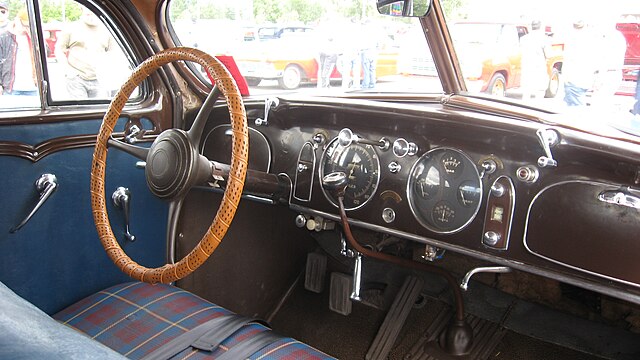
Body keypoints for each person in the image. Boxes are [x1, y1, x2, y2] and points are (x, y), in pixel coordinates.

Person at [57, 7, 114, 99]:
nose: (90, 12)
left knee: (99, 111)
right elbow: (59, 50)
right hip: (76, 79)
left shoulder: (108, 30)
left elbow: (112, 54)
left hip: (99, 80)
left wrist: (107, 73)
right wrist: (69, 71)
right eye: (87, 10)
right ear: (81, 9)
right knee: (81, 111)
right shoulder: (71, 28)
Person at [562, 20, 599, 106]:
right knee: (578, 105)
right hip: (585, 80)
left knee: (575, 109)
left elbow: (569, 59)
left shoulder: (572, 39)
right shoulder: (592, 38)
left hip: (573, 80)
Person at [590, 23, 627, 109]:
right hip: (616, 73)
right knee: (604, 104)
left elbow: (604, 60)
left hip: (606, 74)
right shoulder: (619, 37)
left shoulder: (608, 39)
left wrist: (598, 80)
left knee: (597, 105)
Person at [5, 9, 37, 96]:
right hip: (11, 88)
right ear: (17, 20)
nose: (26, 28)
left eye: (29, 26)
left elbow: (46, 53)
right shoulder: (5, 37)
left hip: (33, 87)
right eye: (24, 25)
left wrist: (34, 36)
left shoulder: (33, 37)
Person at [519, 20, 549, 100]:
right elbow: (548, 55)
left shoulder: (523, 39)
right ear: (540, 26)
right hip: (538, 66)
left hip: (527, 65)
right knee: (540, 91)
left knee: (526, 91)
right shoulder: (544, 39)